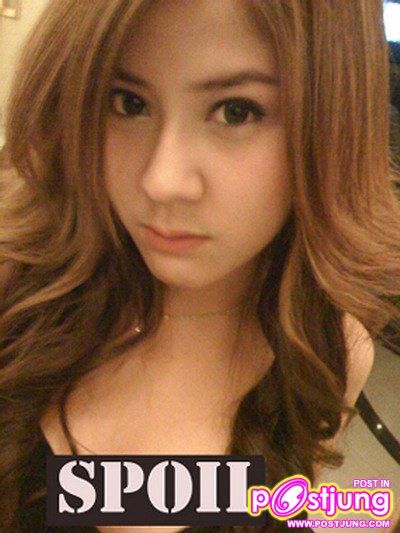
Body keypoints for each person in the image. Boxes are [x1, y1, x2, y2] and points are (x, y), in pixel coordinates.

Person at [0, 0, 399, 531]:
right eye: (128, 102)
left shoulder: (329, 351)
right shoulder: (15, 289)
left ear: (331, 128)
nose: (161, 181)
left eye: (237, 111)